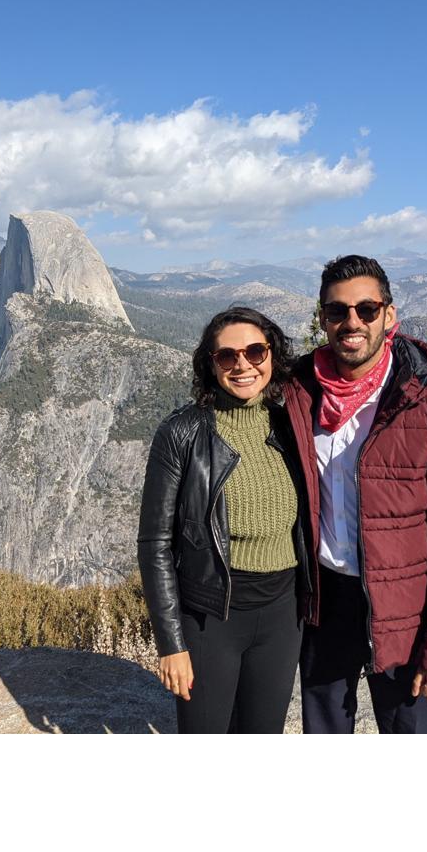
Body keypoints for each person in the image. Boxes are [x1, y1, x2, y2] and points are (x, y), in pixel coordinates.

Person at [282, 254, 427, 734]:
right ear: (323, 319)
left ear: (389, 316)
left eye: (366, 309)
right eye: (337, 312)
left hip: (405, 608)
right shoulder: (300, 394)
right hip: (324, 603)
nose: (351, 322)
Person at [137, 306, 316, 734]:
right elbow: (155, 543)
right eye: (227, 356)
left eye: (255, 351)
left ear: (272, 355)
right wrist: (171, 644)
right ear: (210, 364)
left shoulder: (292, 425)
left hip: (283, 615)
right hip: (212, 616)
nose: (243, 365)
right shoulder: (183, 434)